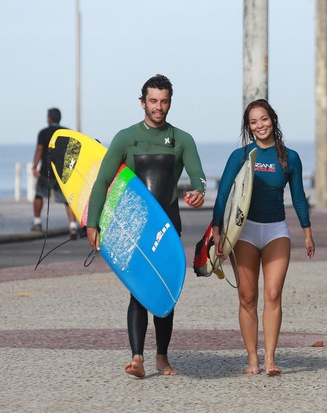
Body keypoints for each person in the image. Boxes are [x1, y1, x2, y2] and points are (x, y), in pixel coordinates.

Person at [86, 74, 207, 378]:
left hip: (167, 226)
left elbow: (199, 176)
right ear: (143, 102)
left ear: (169, 102)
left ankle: (162, 357)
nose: (158, 107)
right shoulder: (126, 138)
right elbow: (102, 182)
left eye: (164, 101)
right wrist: (93, 224)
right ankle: (137, 357)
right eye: (153, 101)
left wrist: (198, 192)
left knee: (165, 292)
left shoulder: (182, 139)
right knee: (138, 291)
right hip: (134, 228)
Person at [212, 99, 315, 376]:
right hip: (243, 231)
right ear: (249, 127)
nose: (260, 125)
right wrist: (217, 232)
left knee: (272, 294)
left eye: (264, 119)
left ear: (273, 119)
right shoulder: (240, 156)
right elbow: (223, 195)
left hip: (276, 230)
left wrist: (307, 231)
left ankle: (270, 359)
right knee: (247, 296)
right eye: (254, 122)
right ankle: (252, 359)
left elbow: (299, 196)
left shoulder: (289, 157)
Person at [31, 108, 78, 239]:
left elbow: (40, 150)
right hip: (62, 172)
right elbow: (72, 153)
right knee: (68, 200)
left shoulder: (44, 133)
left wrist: (34, 166)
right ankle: (73, 226)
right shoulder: (67, 132)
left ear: (49, 119)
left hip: (46, 171)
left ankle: (37, 222)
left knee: (39, 195)